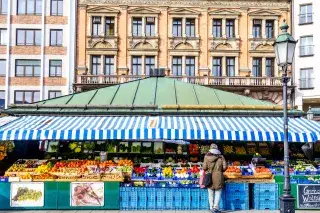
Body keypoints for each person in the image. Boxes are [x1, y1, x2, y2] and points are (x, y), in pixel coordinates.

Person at [203, 143, 227, 213]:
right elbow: (225, 167)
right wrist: (220, 170)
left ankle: (211, 207)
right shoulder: (221, 157)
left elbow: (204, 168)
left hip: (209, 176)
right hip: (218, 176)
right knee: (218, 192)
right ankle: (215, 207)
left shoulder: (206, 156)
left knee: (210, 192)